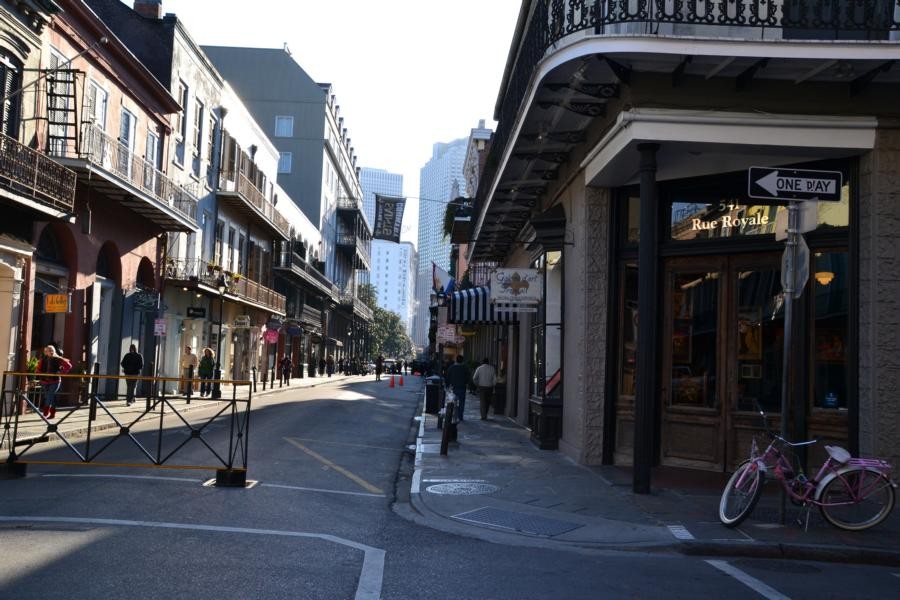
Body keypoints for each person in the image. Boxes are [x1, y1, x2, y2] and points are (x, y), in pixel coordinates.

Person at [35, 345, 72, 419]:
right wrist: (39, 373)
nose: (48, 352)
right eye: (47, 350)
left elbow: (69, 365)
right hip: (45, 381)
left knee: (49, 396)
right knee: (50, 397)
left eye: (50, 350)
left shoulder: (58, 359)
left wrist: (61, 373)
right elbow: (38, 369)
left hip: (55, 381)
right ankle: (52, 414)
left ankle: (45, 413)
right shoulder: (43, 359)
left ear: (53, 351)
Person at [445, 355, 471, 421]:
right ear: (462, 360)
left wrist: (447, 385)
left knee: (454, 402)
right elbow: (468, 377)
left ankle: (455, 415)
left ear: (456, 360)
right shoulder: (465, 368)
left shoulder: (452, 367)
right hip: (462, 387)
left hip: (454, 388)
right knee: (462, 402)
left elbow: (448, 377)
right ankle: (460, 416)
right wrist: (467, 383)